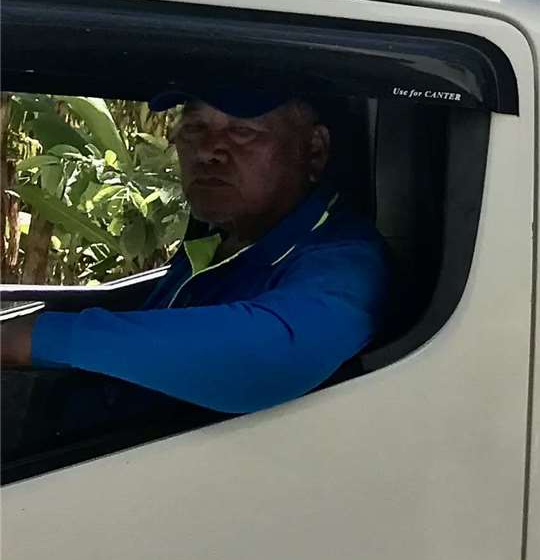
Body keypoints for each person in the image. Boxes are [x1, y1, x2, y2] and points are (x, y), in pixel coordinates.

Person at [0, 88, 389, 413]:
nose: (207, 152)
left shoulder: (344, 258)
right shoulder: (221, 242)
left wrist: (34, 339)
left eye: (243, 131)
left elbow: (270, 354)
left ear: (314, 150)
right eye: (196, 127)